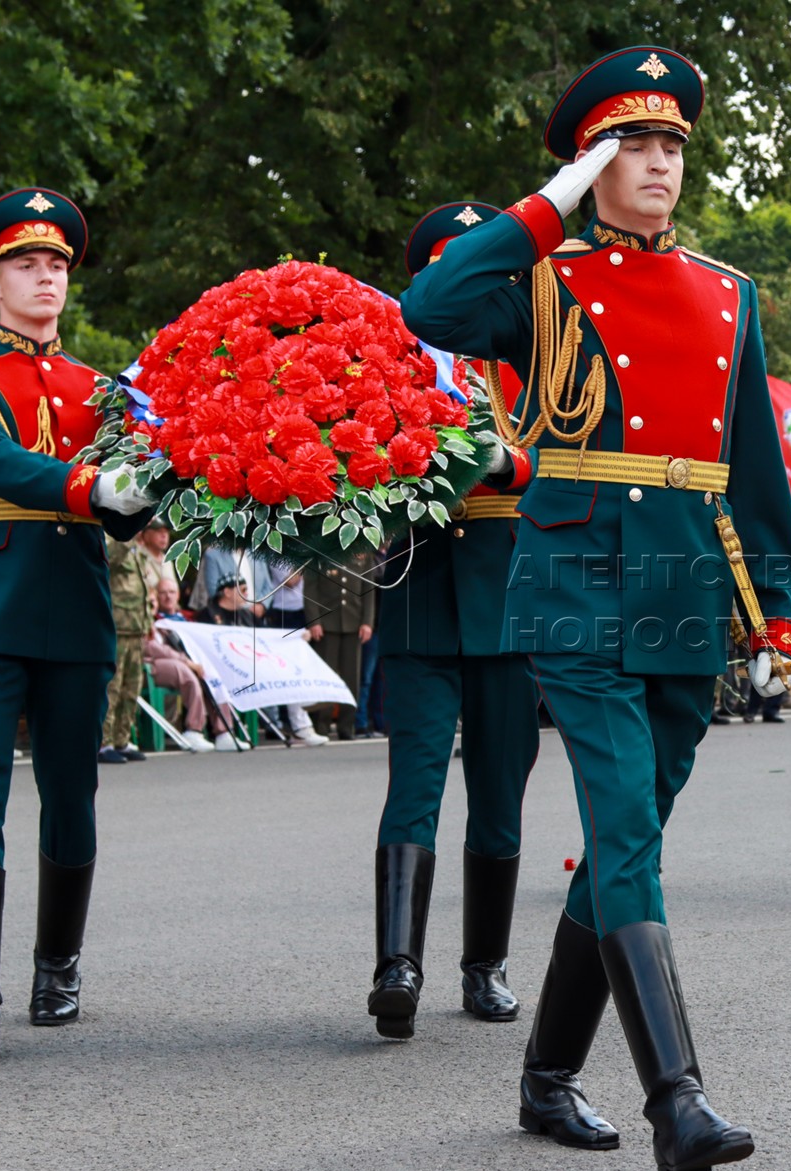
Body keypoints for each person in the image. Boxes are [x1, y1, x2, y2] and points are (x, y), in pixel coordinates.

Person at [403, 47, 791, 1171]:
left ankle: (544, 1077)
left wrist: (776, 599)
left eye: (674, 145)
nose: (660, 164)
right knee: (623, 823)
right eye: (635, 146)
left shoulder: (730, 293)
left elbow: (756, 463)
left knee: (630, 840)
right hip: (576, 580)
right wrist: (547, 206)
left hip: (683, 587)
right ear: (595, 164)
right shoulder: (544, 277)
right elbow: (431, 305)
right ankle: (678, 1099)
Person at [0, 187, 156, 1056]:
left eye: (56, 264)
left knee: (71, 796)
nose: (45, 277)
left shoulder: (105, 388)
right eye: (26, 263)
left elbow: (128, 510)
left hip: (76, 607)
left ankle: (58, 962)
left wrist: (162, 480)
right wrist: (93, 488)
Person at [369, 197, 543, 1036]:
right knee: (414, 786)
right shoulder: (390, 373)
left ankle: (486, 966)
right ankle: (397, 964)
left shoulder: (537, 360)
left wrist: (520, 462)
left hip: (512, 600)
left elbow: (583, 453)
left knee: (502, 795)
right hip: (422, 590)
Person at [99, 530, 160, 763]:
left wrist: (148, 622)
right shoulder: (113, 540)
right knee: (112, 688)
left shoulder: (135, 547)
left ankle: (121, 740)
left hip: (135, 627)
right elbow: (109, 560)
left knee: (131, 688)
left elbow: (143, 590)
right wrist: (127, 535)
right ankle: (103, 743)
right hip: (117, 626)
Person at [303, 554, 375, 741]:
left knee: (352, 678)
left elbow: (368, 588)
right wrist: (314, 620)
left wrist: (367, 621)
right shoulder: (320, 548)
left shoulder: (362, 549)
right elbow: (310, 587)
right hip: (327, 623)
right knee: (325, 676)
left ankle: (346, 725)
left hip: (354, 621)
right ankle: (321, 724)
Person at [144, 578, 219, 752]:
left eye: (153, 602)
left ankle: (222, 731)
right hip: (148, 667)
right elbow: (153, 649)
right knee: (184, 671)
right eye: (148, 602)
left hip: (167, 663)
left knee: (209, 672)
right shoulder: (144, 622)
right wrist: (186, 661)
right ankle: (194, 729)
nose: (151, 606)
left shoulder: (163, 621)